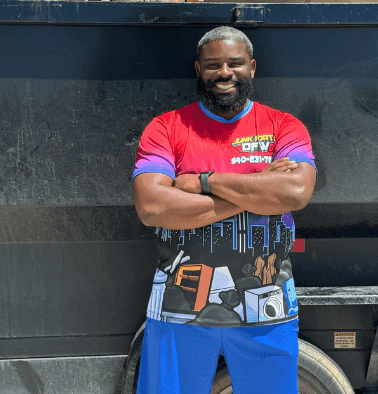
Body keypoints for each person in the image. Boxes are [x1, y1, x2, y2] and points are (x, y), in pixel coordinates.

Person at [132, 26, 317, 394]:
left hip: (267, 308)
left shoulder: (283, 126)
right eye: (213, 64)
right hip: (178, 308)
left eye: (235, 63)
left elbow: (295, 191)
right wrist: (258, 188)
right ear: (199, 69)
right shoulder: (166, 127)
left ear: (251, 67)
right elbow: (152, 205)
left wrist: (203, 181)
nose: (224, 73)